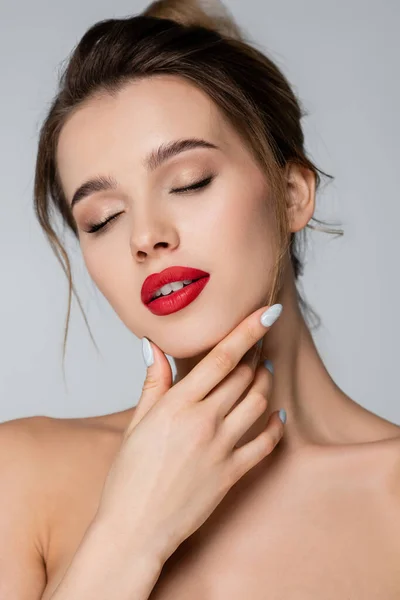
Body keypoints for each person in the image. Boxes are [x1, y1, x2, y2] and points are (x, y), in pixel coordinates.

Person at [1, 0, 399, 598]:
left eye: (189, 182)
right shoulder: (21, 476)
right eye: (102, 218)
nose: (144, 236)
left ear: (292, 194)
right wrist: (132, 531)